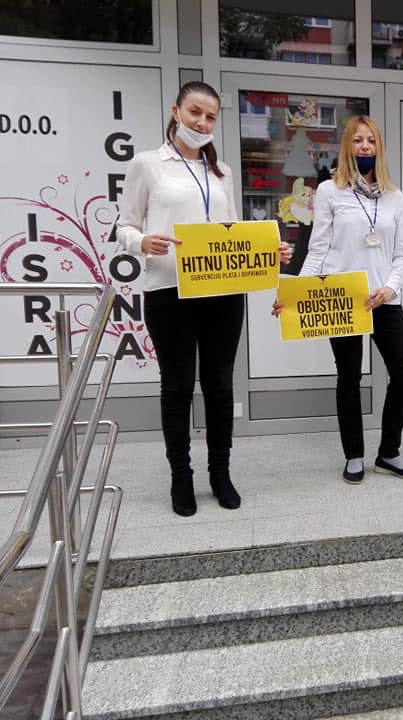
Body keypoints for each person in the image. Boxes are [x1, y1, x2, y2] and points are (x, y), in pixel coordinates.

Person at [117, 81, 291, 517]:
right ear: (176, 111)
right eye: (195, 112)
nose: (201, 122)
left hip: (223, 294)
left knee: (219, 386)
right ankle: (181, 476)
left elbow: (231, 232)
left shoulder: (223, 171)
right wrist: (142, 242)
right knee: (177, 388)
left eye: (210, 116)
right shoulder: (147, 164)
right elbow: (124, 226)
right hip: (169, 291)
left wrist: (267, 251)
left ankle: (220, 473)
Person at [279, 115, 403, 485]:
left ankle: (389, 452)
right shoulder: (330, 191)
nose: (365, 146)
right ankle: (354, 455)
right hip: (343, 298)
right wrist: (296, 294)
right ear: (347, 146)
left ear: (379, 147)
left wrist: (390, 287)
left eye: (371, 140)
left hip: (383, 299)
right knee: (349, 377)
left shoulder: (395, 197)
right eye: (358, 140)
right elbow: (318, 249)